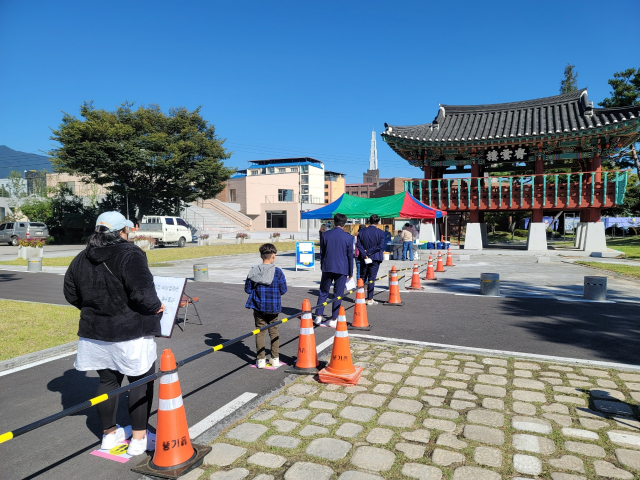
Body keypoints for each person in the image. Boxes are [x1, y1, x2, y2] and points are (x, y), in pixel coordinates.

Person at [63, 211, 165, 456]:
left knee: (107, 381)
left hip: (94, 332)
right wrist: (156, 307)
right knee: (140, 382)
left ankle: (109, 435)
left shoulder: (81, 256)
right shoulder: (130, 253)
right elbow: (143, 292)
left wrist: (95, 308)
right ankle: (140, 439)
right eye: (126, 230)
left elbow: (70, 293)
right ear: (122, 232)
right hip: (131, 331)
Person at [245, 243, 287, 369]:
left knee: (260, 332)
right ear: (273, 256)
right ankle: (275, 358)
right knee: (274, 332)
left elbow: (247, 289)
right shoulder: (278, 272)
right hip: (273, 307)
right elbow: (284, 290)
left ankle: (261, 360)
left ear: (261, 256)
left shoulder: (254, 271)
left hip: (258, 306)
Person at [316, 213, 353, 327]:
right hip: (342, 268)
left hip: (327, 266)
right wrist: (350, 272)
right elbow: (350, 256)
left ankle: (318, 316)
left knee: (323, 291)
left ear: (334, 222)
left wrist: (323, 265)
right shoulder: (348, 237)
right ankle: (334, 318)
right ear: (344, 223)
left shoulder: (326, 235)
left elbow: (322, 253)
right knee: (338, 294)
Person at [356, 214, 386, 305]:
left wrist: (364, 253)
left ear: (369, 221)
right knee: (372, 279)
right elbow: (380, 246)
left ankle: (360, 297)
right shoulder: (380, 232)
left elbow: (358, 244)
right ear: (378, 222)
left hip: (363, 257)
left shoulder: (362, 231)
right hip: (375, 257)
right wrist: (369, 251)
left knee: (362, 277)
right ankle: (370, 298)